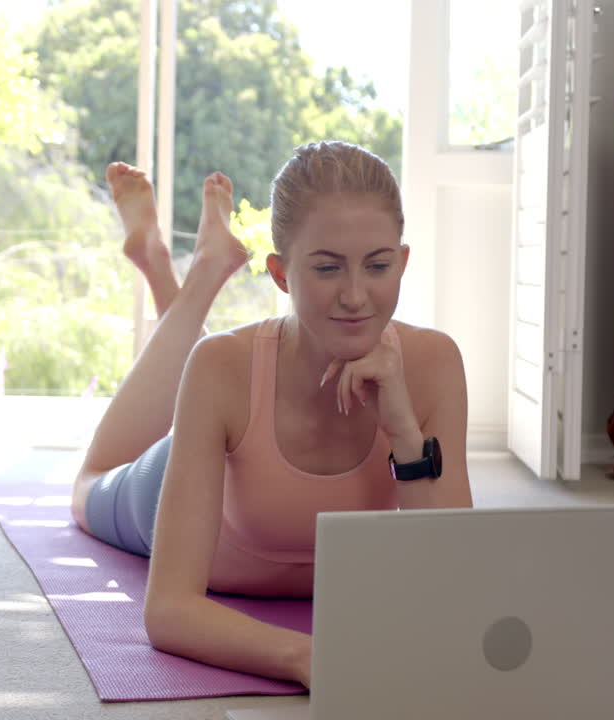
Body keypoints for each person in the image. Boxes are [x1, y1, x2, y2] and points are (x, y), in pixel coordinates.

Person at [70, 141, 473, 688]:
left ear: (401, 263)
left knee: (212, 367)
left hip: (238, 411)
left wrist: (404, 429)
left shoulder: (435, 364)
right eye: (328, 268)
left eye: (377, 266)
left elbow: (454, 577)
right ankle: (179, 267)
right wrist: (308, 658)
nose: (356, 295)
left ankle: (186, 263)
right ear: (282, 275)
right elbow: (167, 611)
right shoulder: (221, 367)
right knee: (88, 484)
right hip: (167, 484)